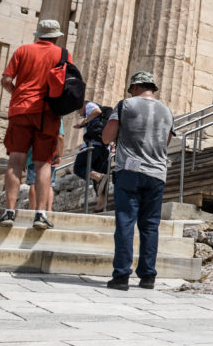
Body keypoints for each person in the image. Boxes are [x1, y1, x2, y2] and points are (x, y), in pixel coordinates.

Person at [103, 71, 174, 291]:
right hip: (157, 173)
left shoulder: (126, 105)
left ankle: (122, 275)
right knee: (150, 226)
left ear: (134, 87)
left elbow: (107, 136)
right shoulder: (167, 111)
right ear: (152, 87)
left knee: (126, 222)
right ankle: (148, 276)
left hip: (130, 170)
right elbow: (167, 141)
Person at [0, 19, 71, 230]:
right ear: (57, 36)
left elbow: (5, 80)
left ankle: (9, 212)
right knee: (43, 164)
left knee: (16, 160)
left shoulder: (23, 50)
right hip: (47, 113)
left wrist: (18, 94)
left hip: (21, 110)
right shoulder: (63, 55)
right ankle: (40, 214)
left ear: (38, 34)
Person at [72, 100, 111, 211]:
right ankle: (101, 204)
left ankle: (99, 177)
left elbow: (96, 111)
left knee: (79, 168)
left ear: (82, 106)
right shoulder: (105, 115)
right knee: (99, 179)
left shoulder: (89, 105)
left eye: (79, 110)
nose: (80, 113)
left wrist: (84, 122)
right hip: (104, 149)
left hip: (92, 146)